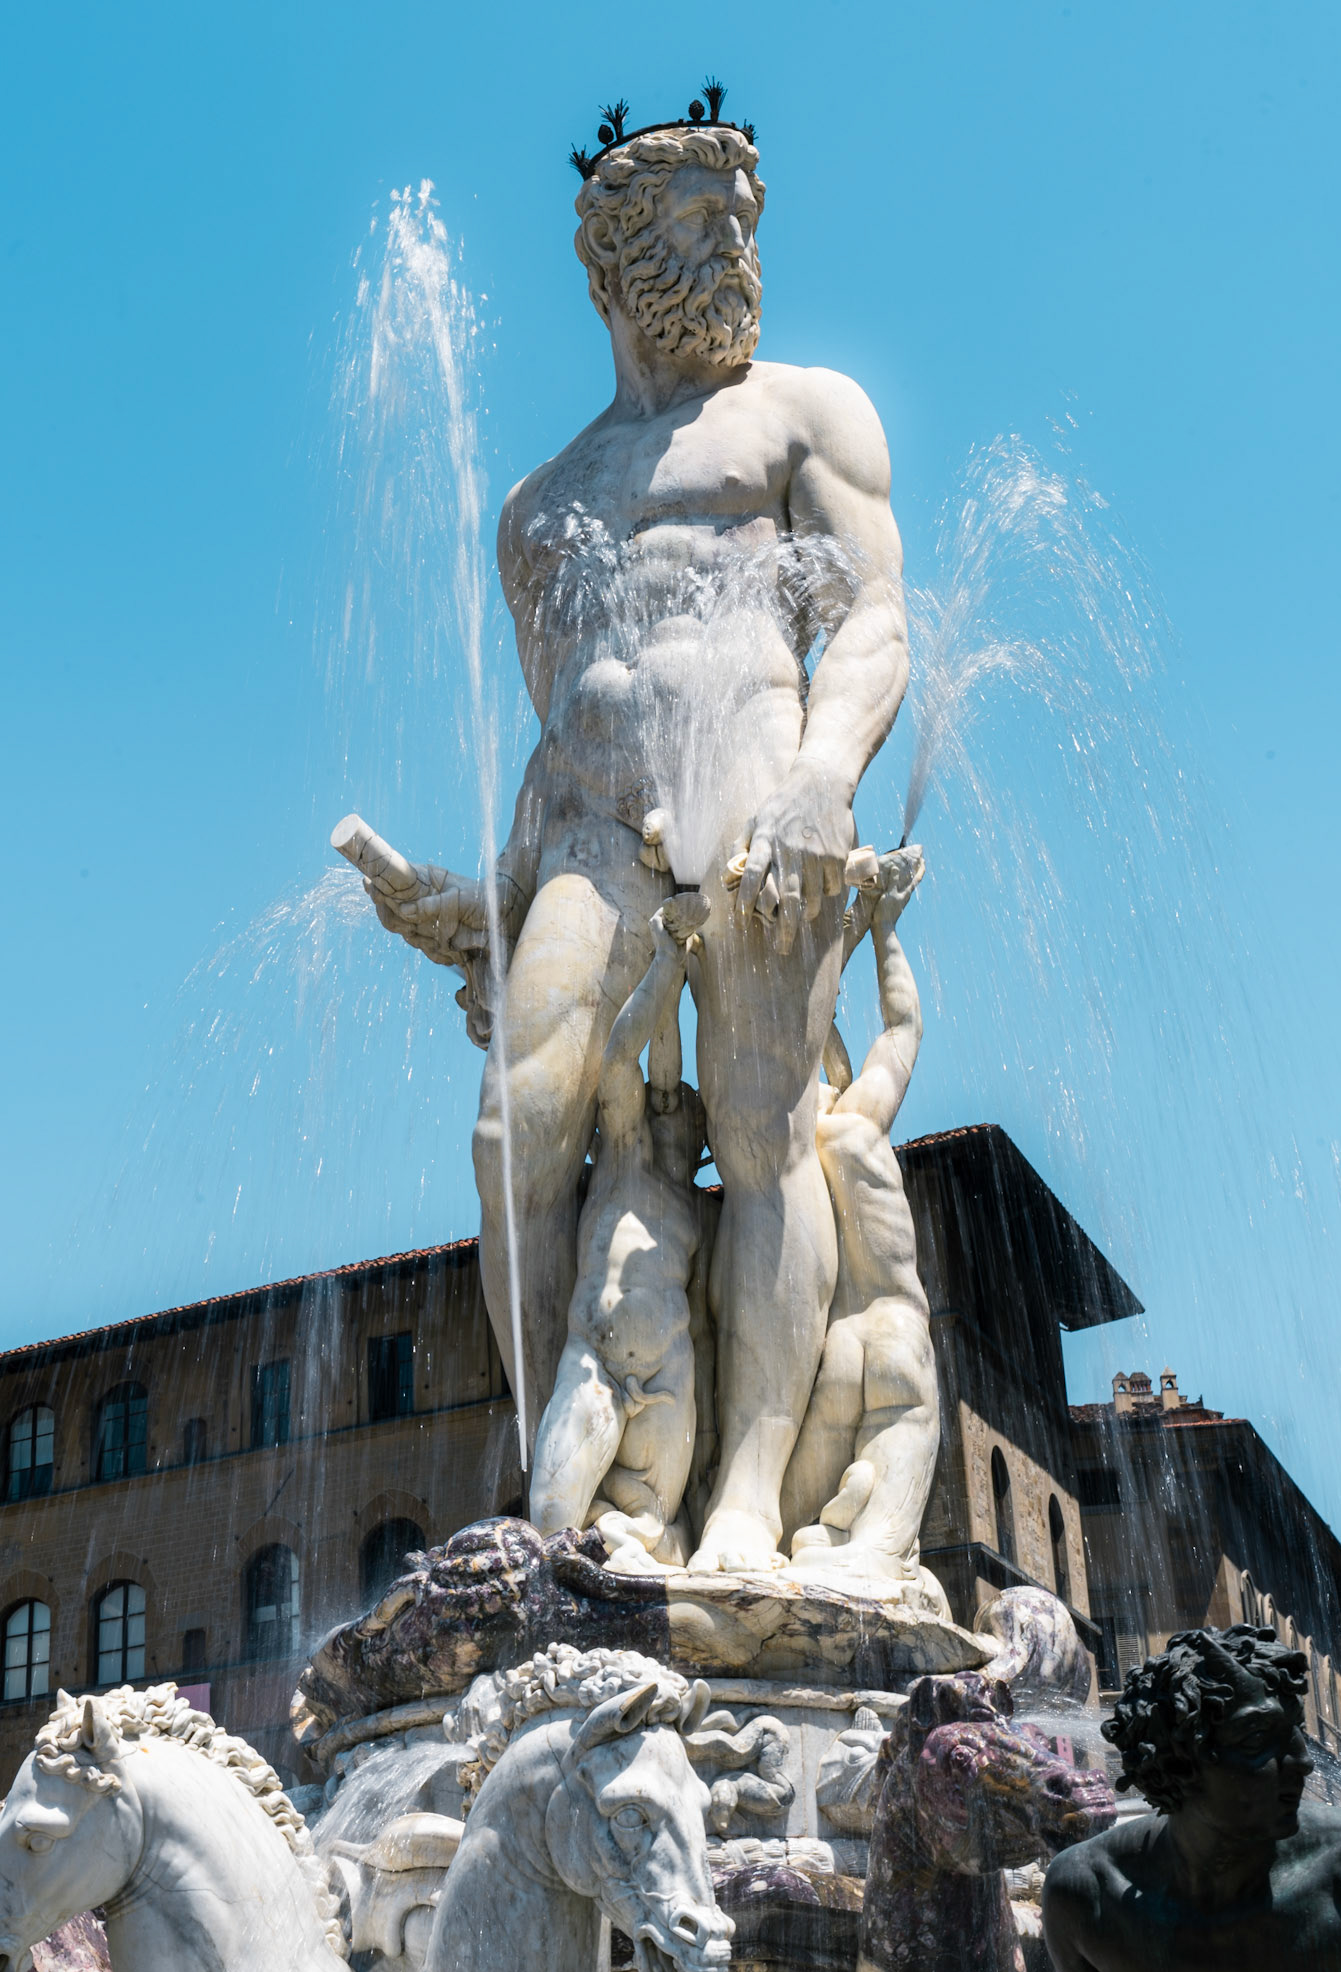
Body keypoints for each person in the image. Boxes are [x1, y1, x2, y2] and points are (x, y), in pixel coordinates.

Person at [362, 110, 910, 1572]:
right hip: (600, 835)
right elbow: (560, 739)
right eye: (697, 217)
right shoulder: (537, 506)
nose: (735, 243)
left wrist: (821, 778)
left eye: (746, 216)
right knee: (510, 1133)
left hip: (759, 794)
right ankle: (569, 1492)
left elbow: (872, 621)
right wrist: (484, 895)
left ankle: (741, 1501)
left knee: (762, 1135)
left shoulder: (807, 413)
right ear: (612, 254)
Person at [1042, 1624, 1341, 1972]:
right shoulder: (1087, 1895)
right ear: (1178, 1758)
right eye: (1256, 1738)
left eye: (1294, 1731)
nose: (1302, 1761)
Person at [528, 892, 712, 1569]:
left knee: (662, 1542)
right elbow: (622, 1060)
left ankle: (622, 1541)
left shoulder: (693, 1203)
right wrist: (668, 959)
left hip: (671, 1376)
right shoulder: (624, 1152)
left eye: (686, 1110)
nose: (675, 1106)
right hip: (596, 1366)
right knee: (549, 1525)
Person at [777, 846, 941, 1592]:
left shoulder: (784, 1152)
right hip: (896, 1333)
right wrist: (885, 927)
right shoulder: (857, 1126)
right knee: (882, 1565)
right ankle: (862, 1537)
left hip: (833, 1352)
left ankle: (825, 1528)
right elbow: (904, 1027)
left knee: (781, 1543)